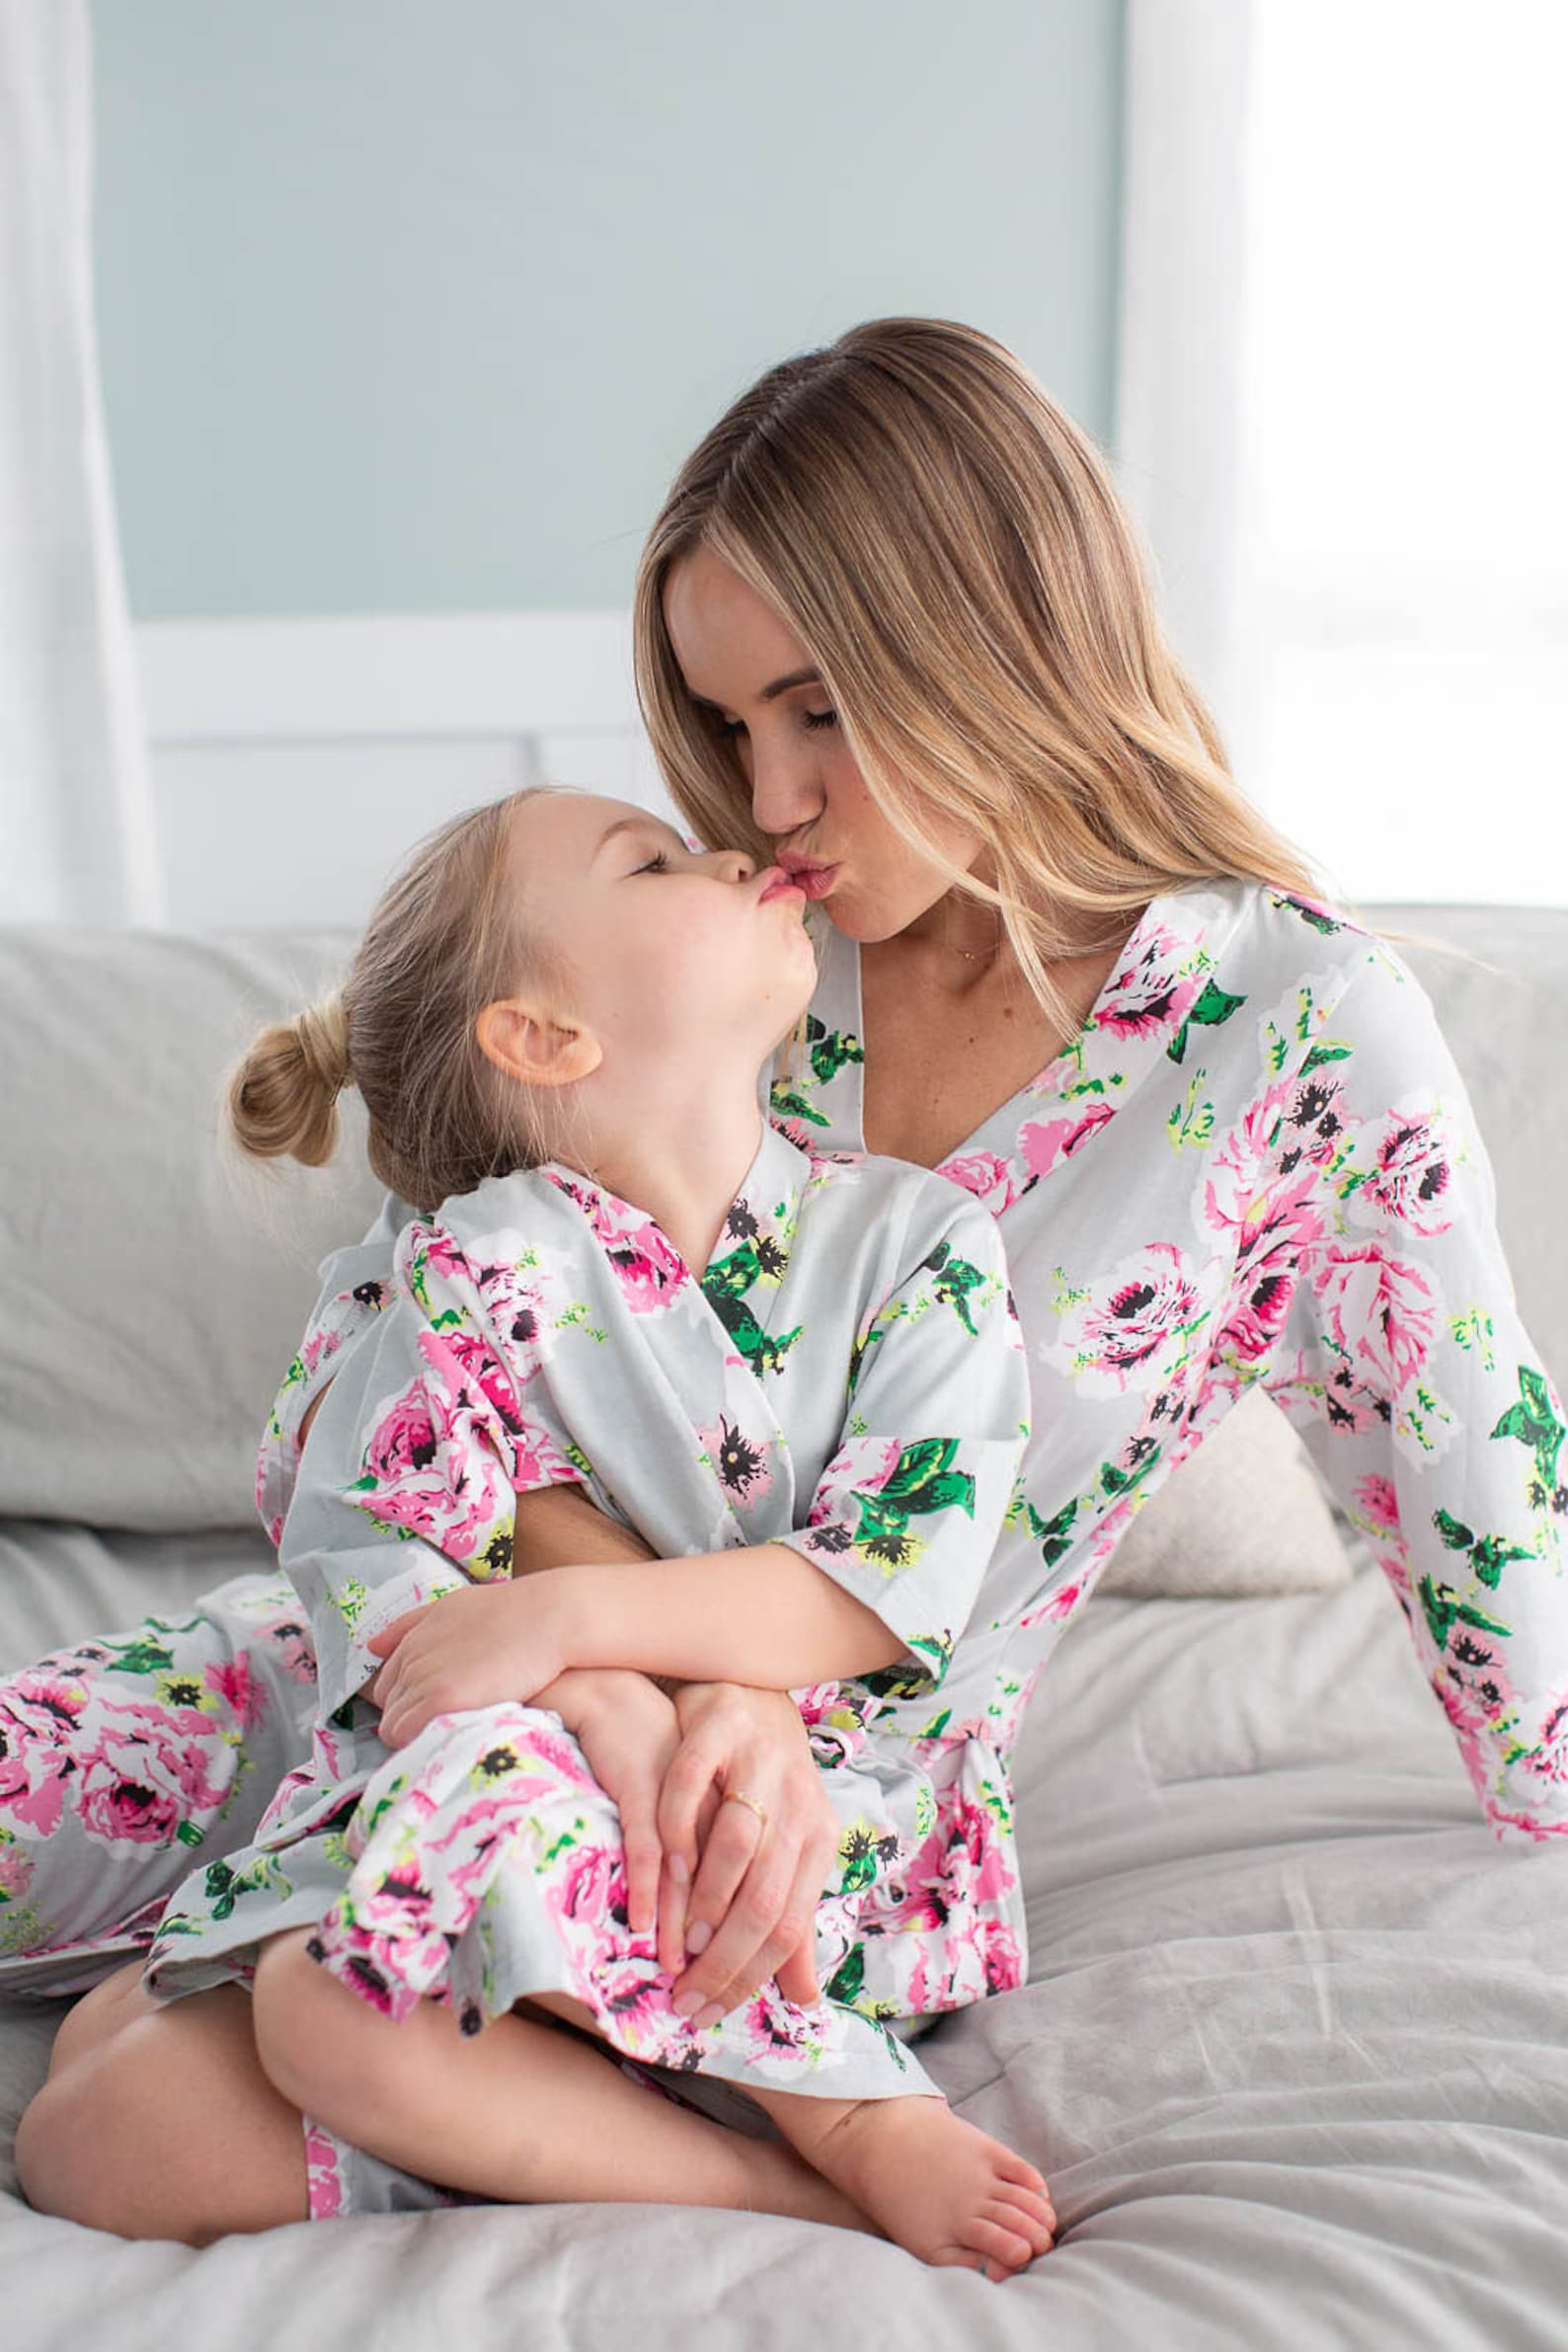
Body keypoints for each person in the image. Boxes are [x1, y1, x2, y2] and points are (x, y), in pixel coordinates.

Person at [8, 313, 1566, 2241]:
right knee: (68, 1846)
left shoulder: (1300, 1031)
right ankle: (248, 1945)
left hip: (794, 1809)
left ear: (993, 637)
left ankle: (686, 2125)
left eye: (817, 710)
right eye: (732, 727)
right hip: (461, 1648)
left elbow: (1496, 1549)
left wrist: (710, 1696)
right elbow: (447, 1357)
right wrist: (627, 1659)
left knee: (133, 2120)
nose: (769, 802)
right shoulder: (742, 954)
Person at [20, 776, 1056, 2273]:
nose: (732, 851)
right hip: (442, 1743)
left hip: (789, 1810)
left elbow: (877, 1585)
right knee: (94, 2123)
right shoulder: (463, 1264)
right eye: (653, 861)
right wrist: (595, 1694)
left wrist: (576, 1626)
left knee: (344, 1962)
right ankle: (362, 2012)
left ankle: (833, 2117)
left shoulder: (917, 1243)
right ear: (545, 1036)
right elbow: (382, 1558)